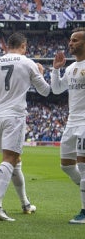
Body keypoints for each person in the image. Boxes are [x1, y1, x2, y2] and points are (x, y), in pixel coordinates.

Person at [0, 32, 50, 221]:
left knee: (15, 160)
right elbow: (45, 91)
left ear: (7, 46)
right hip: (14, 115)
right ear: (23, 46)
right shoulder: (27, 62)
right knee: (9, 158)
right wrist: (41, 74)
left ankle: (25, 204)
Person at [51, 27, 85, 224]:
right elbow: (56, 89)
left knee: (83, 165)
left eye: (75, 40)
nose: (71, 43)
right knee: (66, 165)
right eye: (70, 40)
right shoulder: (71, 68)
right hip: (71, 122)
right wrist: (56, 69)